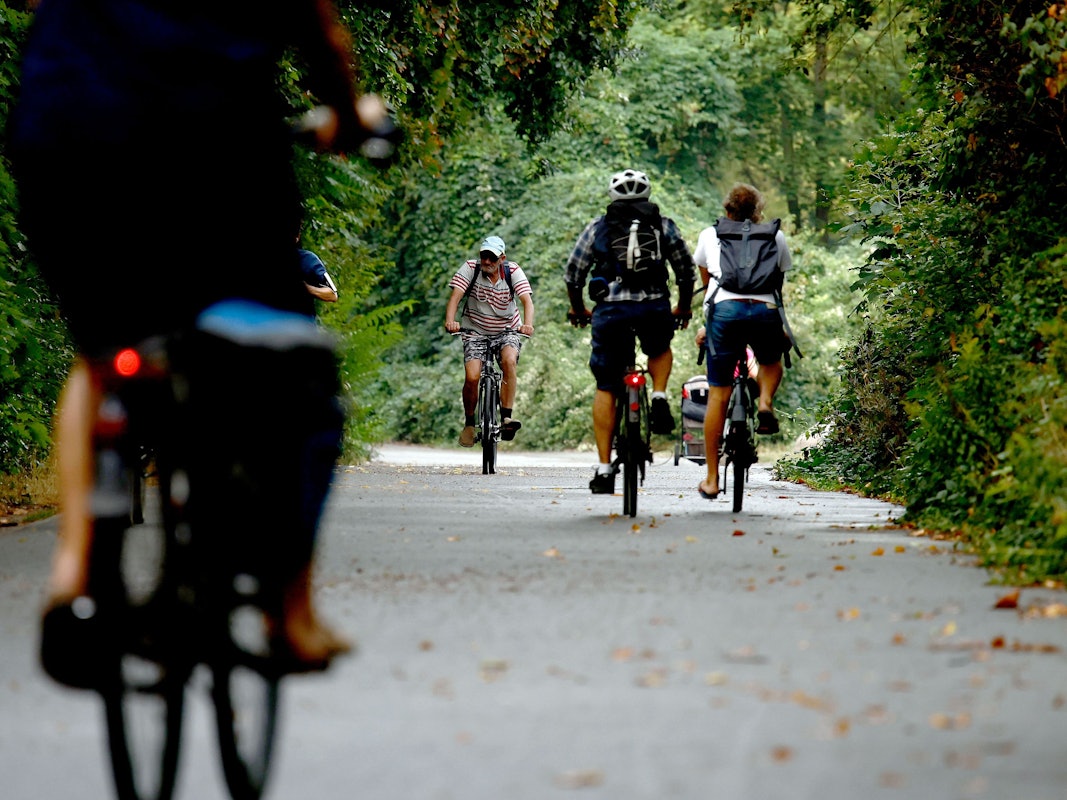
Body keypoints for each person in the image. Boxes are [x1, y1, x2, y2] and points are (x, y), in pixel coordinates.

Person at [8, 0, 385, 680]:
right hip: (210, 142)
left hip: (65, 132)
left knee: (102, 352)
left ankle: (73, 583)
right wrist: (350, 114)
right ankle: (288, 615)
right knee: (294, 370)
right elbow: (317, 27)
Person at [565, 169, 696, 494]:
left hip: (611, 311)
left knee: (607, 386)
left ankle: (605, 468)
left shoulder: (598, 227)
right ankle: (659, 395)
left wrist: (579, 307)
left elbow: (573, 273)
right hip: (654, 306)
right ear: (647, 195)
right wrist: (682, 307)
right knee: (659, 347)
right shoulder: (663, 225)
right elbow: (685, 271)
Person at [692, 183, 794, 499]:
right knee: (770, 360)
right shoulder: (774, 236)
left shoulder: (710, 235)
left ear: (727, 210)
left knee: (718, 396)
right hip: (764, 308)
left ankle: (711, 479)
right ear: (758, 211)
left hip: (725, 310)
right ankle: (764, 401)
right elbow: (779, 279)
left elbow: (706, 280)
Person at [444, 236, 535, 446]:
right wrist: (451, 321)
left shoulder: (512, 272)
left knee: (509, 361)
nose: (486, 261)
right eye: (484, 256)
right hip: (474, 330)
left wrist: (527, 324)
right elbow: (455, 298)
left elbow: (527, 302)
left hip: (507, 329)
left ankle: (506, 417)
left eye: (492, 258)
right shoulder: (470, 269)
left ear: (501, 258)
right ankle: (469, 422)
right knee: (472, 375)